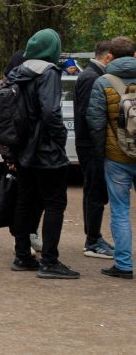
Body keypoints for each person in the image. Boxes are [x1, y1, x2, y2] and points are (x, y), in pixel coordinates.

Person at [6, 29, 77, 279]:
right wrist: (59, 139)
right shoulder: (48, 73)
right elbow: (50, 112)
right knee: (55, 204)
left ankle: (22, 256)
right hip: (46, 150)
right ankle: (50, 261)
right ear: (52, 50)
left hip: (22, 149)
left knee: (26, 201)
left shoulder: (17, 73)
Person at [86, 36, 136, 279]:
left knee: (120, 211)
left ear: (111, 56)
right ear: (134, 55)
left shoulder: (103, 82)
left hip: (117, 158)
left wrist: (102, 151)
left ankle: (124, 265)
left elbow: (95, 123)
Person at [73, 40, 116, 259]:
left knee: (93, 190)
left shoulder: (89, 75)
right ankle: (93, 240)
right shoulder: (93, 77)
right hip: (91, 145)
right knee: (95, 191)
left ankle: (93, 236)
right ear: (109, 57)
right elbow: (89, 116)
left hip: (88, 143)